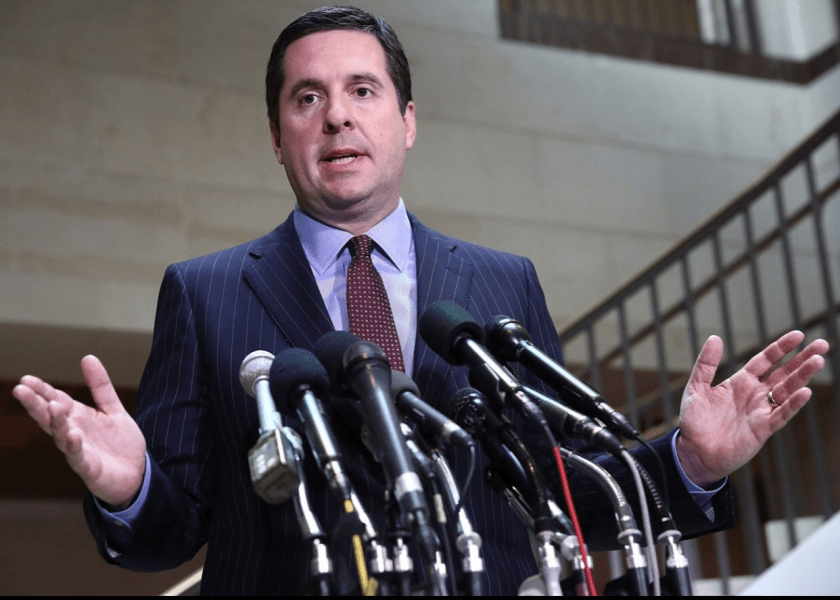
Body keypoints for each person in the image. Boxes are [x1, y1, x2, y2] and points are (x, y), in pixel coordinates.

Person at [12, 5, 829, 596]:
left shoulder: (503, 282)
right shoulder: (205, 293)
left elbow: (562, 490)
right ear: (277, 136)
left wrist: (692, 462)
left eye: (363, 90)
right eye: (307, 98)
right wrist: (130, 487)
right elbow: (170, 534)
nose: (337, 116)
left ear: (407, 121)